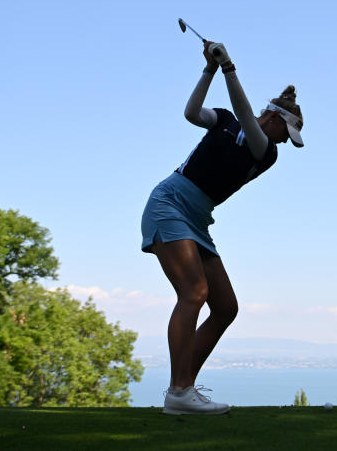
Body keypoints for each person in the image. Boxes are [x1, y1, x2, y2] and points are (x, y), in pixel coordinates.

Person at [140, 39, 303, 415]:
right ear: (277, 118)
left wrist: (229, 67)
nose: (284, 141)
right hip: (169, 203)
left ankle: (183, 389)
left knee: (225, 307)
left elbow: (248, 118)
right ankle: (179, 393)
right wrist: (211, 69)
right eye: (286, 132)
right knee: (194, 292)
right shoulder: (226, 122)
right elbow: (192, 112)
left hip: (197, 220)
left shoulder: (267, 153)